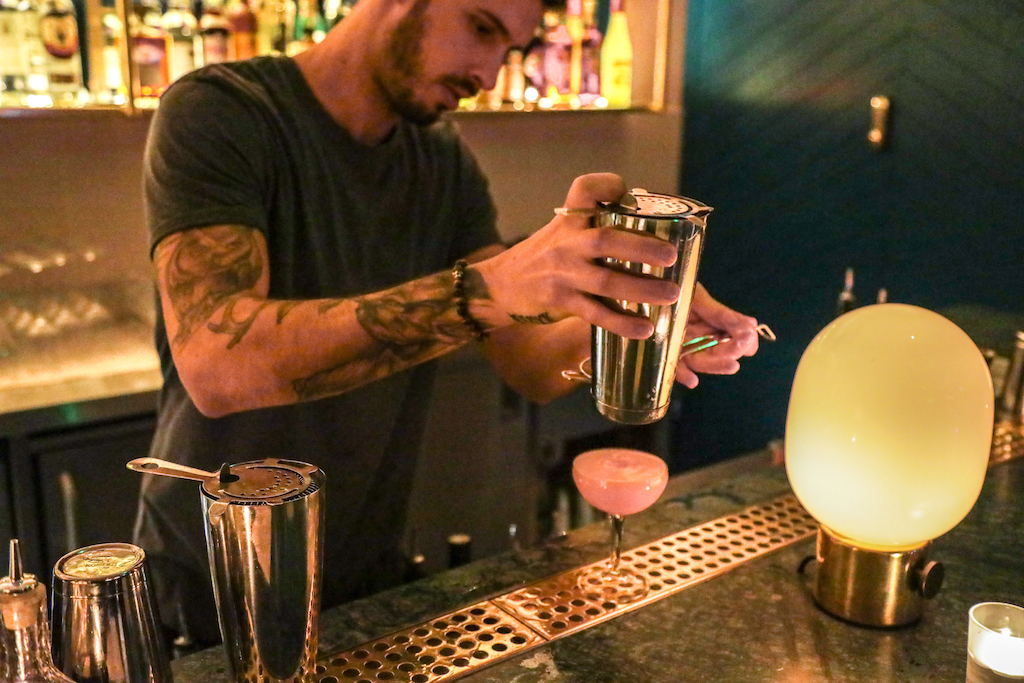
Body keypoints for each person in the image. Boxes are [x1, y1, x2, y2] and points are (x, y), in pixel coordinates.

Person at [133, 0, 762, 648]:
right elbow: (218, 365)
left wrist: (638, 323)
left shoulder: (440, 159)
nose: (487, 73)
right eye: (481, 28)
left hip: (361, 571)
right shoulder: (222, 111)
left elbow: (528, 359)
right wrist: (487, 289)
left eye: (509, 51)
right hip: (214, 580)